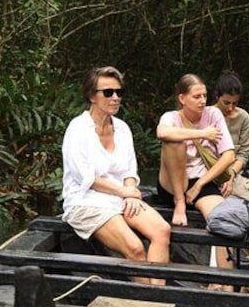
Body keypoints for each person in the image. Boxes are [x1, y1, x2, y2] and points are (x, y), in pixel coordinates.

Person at [61, 66, 171, 286]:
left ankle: (158, 296)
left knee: (162, 230)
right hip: (86, 201)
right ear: (92, 96)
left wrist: (130, 194)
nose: (115, 98)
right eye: (108, 92)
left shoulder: (122, 128)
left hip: (120, 197)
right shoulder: (78, 129)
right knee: (135, 248)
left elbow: (130, 171)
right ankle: (151, 302)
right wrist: (124, 192)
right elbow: (87, 178)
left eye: (119, 93)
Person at [156, 73, 236, 229]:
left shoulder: (213, 114)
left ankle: (224, 254)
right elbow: (162, 133)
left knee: (224, 220)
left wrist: (199, 184)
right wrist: (203, 133)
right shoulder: (170, 117)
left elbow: (229, 155)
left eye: (204, 96)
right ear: (182, 99)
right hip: (172, 182)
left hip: (201, 180)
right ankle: (179, 201)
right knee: (175, 142)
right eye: (197, 97)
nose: (203, 101)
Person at [210, 70, 249, 178]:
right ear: (217, 97)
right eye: (226, 103)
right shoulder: (207, 115)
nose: (230, 108)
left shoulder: (243, 117)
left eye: (234, 103)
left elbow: (243, 154)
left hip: (233, 171)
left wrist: (231, 174)